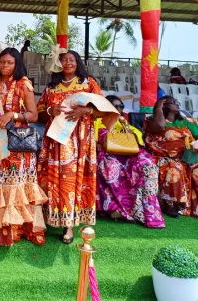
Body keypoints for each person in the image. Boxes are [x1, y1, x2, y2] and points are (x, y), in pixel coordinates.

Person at [0, 47, 47, 254]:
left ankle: (18, 227)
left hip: (18, 143)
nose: (5, 65)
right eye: (2, 62)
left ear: (17, 64)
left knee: (17, 185)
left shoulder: (24, 84)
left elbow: (33, 115)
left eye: (10, 62)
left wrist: (13, 115)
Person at [37, 48, 108, 244]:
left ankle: (69, 225)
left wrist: (85, 110)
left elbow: (105, 110)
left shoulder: (88, 83)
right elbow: (40, 113)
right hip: (55, 140)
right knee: (53, 178)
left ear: (78, 63)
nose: (68, 63)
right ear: (58, 64)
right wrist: (51, 110)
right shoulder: (51, 87)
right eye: (64, 60)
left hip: (80, 140)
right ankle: (49, 218)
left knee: (73, 179)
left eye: (72, 59)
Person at [96, 95, 165, 228]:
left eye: (121, 106)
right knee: (111, 166)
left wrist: (125, 128)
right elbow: (94, 139)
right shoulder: (97, 120)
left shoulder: (123, 121)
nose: (119, 108)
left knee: (148, 165)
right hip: (108, 154)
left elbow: (137, 140)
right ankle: (117, 209)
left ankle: (147, 213)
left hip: (128, 154)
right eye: (115, 106)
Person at [144, 96, 198, 218]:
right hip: (162, 157)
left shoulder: (186, 121)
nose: (176, 104)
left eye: (177, 101)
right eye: (172, 102)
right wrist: (158, 109)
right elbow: (159, 126)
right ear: (163, 105)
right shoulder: (153, 119)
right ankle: (171, 204)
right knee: (174, 167)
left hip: (187, 157)